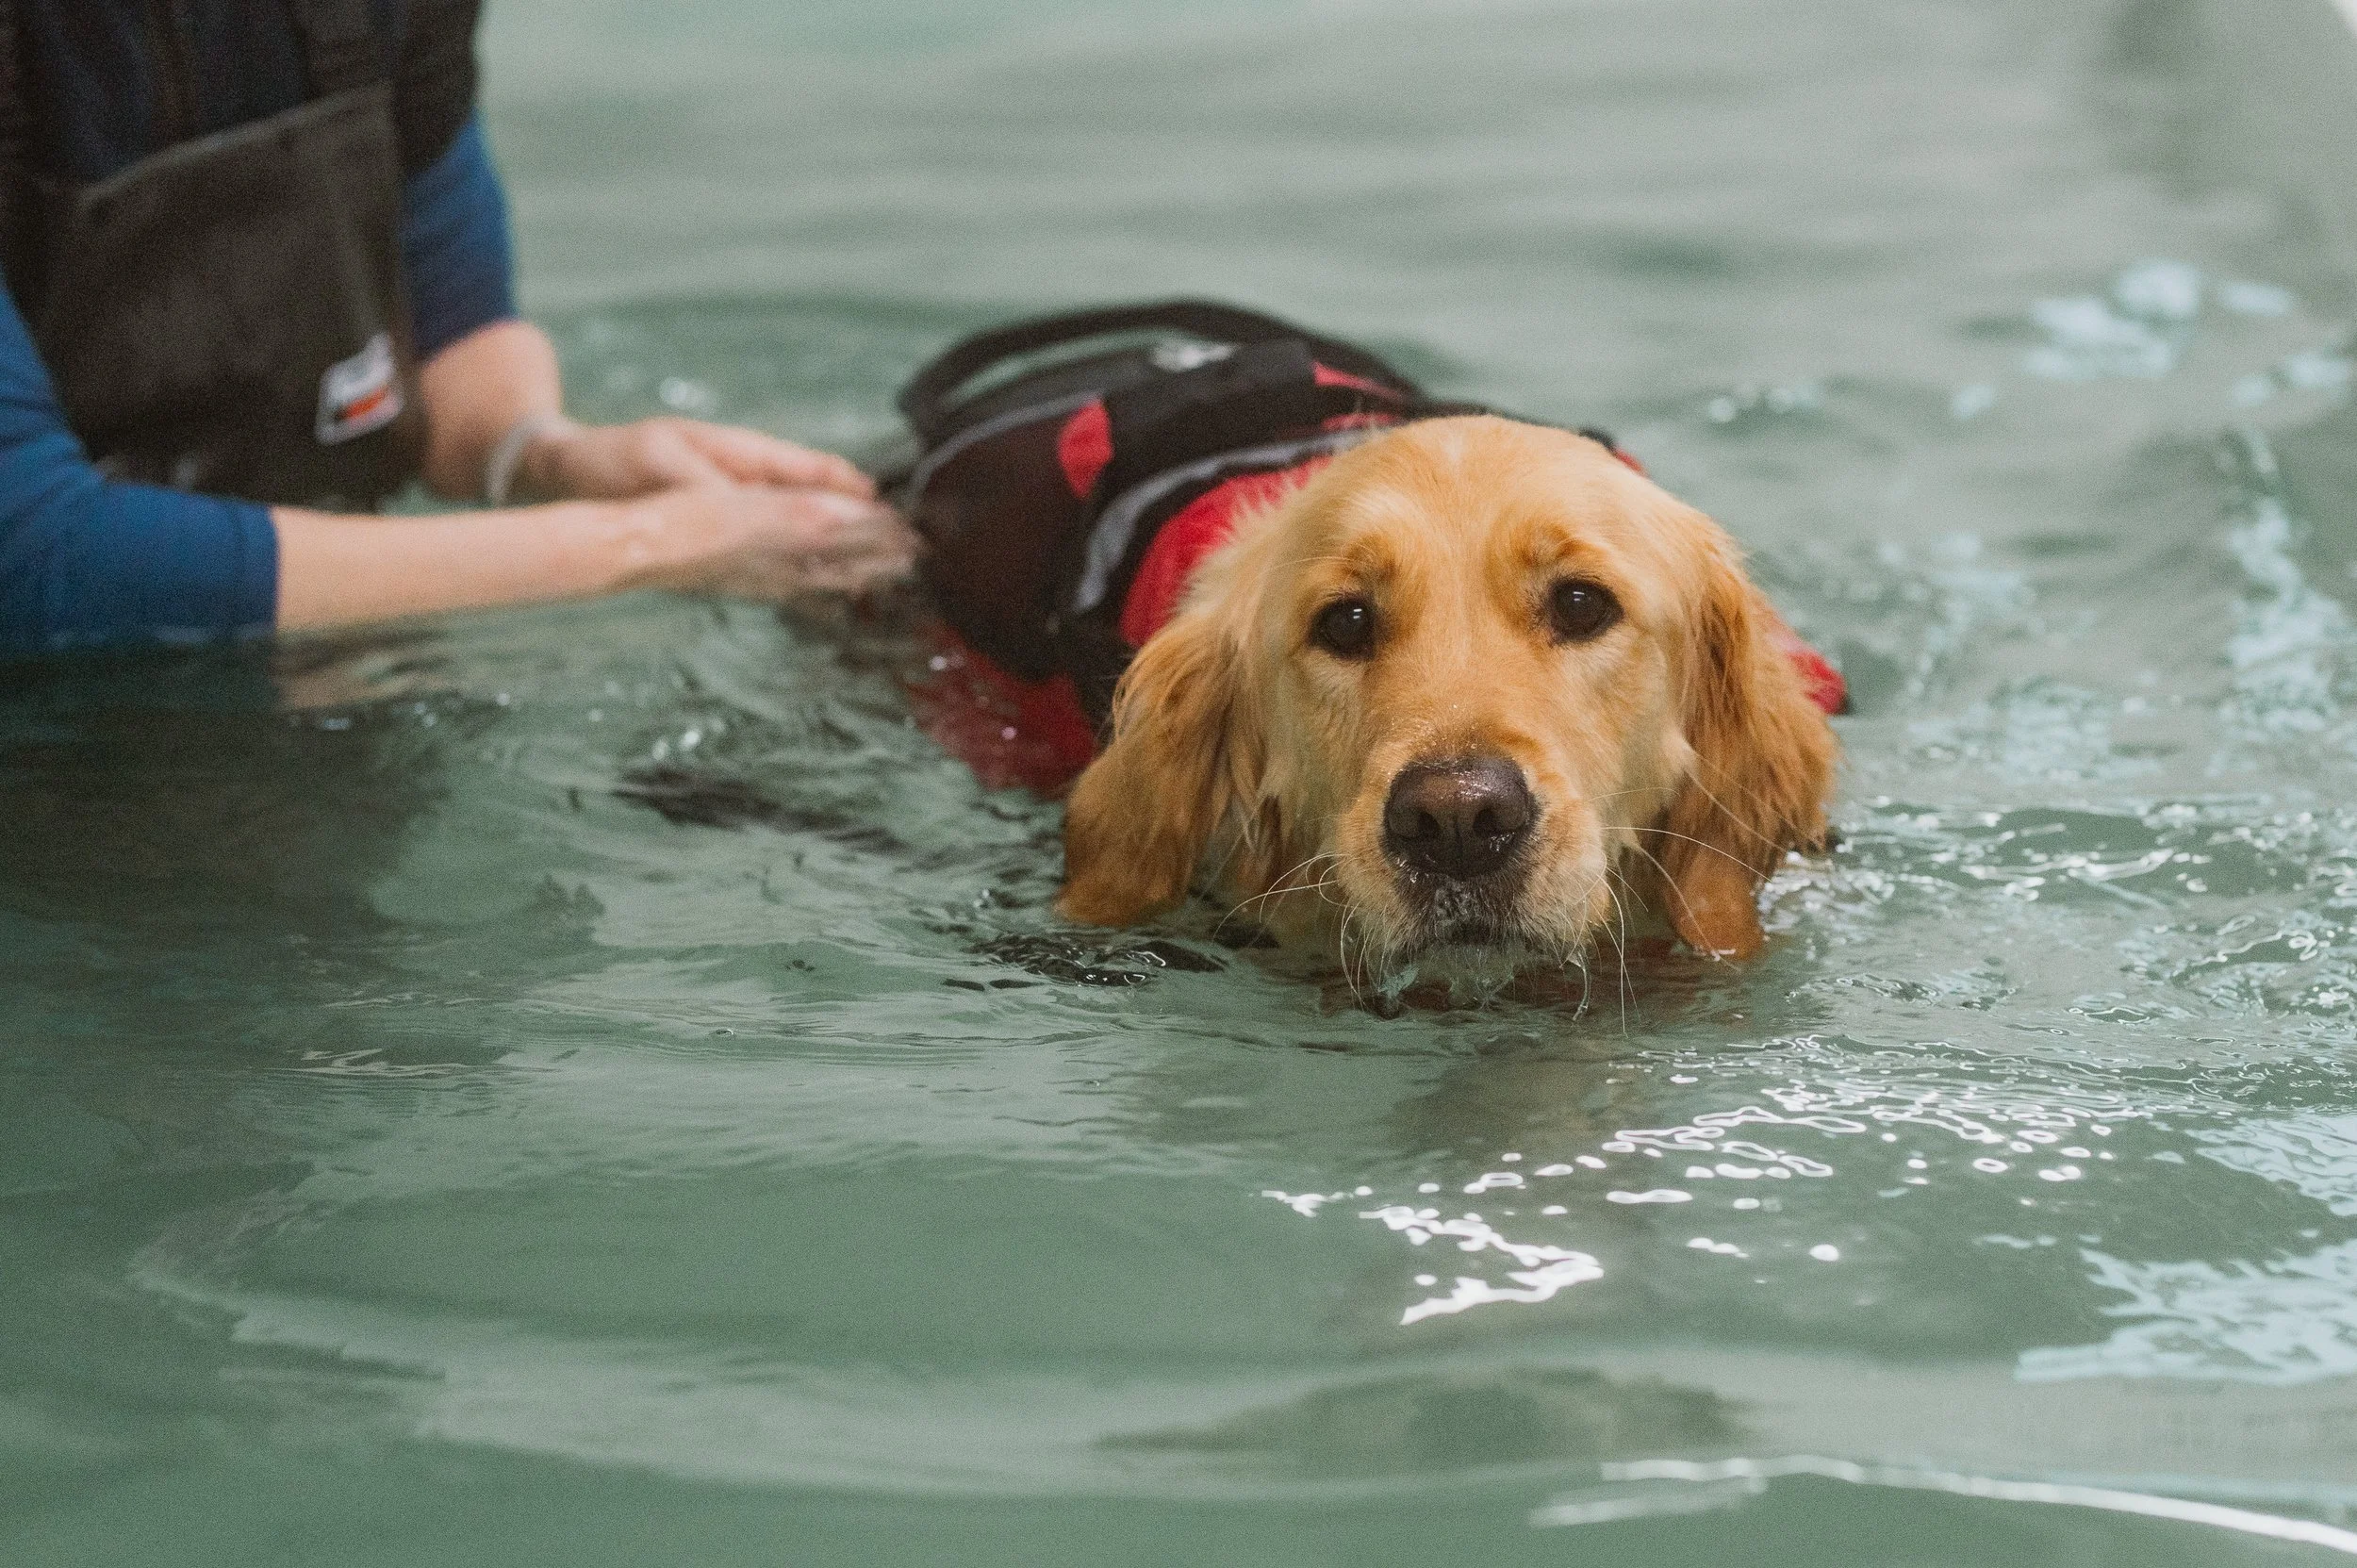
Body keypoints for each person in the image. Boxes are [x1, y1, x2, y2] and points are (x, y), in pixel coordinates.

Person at [0, 0, 918, 662]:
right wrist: (649, 547)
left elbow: (450, 324)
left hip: (314, 695)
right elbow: (34, 557)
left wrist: (542, 456)